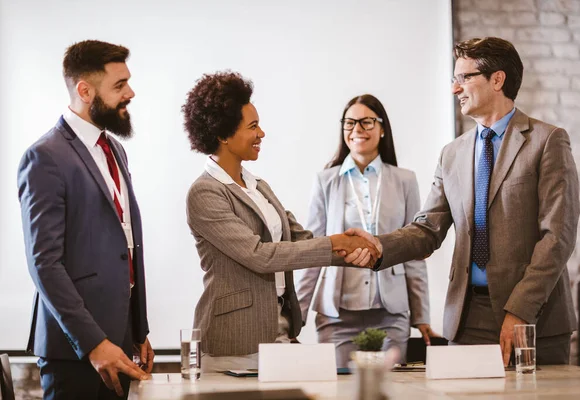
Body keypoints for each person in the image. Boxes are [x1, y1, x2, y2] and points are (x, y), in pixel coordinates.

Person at [348, 37, 579, 366]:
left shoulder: (547, 141)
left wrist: (520, 310)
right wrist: (379, 246)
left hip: (534, 319)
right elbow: (428, 229)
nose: (455, 89)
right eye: (454, 80)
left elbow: (558, 236)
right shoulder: (452, 153)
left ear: (497, 79)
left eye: (464, 78)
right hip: (467, 320)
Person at [182, 71, 380, 372]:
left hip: (281, 333)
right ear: (223, 134)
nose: (261, 133)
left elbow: (300, 239)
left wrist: (359, 250)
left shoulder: (258, 185)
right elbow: (259, 255)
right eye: (253, 126)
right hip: (235, 343)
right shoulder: (205, 192)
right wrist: (335, 244)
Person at [17, 40, 153, 399]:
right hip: (76, 352)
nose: (131, 93)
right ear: (85, 90)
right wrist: (94, 344)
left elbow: (124, 243)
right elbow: (44, 263)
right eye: (119, 85)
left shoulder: (115, 149)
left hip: (122, 341)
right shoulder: (44, 157)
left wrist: (138, 331)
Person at [296, 94, 438, 367]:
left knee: (389, 391)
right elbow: (312, 253)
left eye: (366, 122)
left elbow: (413, 251)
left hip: (390, 313)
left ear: (382, 128)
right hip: (337, 315)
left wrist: (421, 317)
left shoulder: (405, 180)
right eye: (349, 123)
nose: (357, 129)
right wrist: (296, 318)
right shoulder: (325, 181)